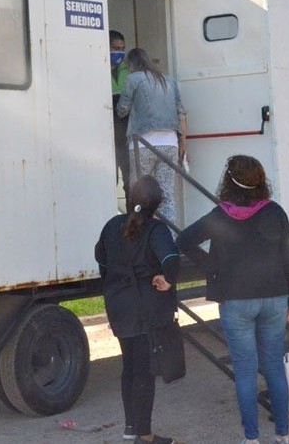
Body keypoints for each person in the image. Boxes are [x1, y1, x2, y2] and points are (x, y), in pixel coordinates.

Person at [177, 155, 289, 444]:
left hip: (235, 300)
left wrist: (211, 267)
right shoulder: (275, 212)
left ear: (228, 181)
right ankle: (283, 435)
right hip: (275, 298)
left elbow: (183, 240)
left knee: (245, 371)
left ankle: (251, 439)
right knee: (274, 367)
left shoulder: (220, 215)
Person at [95, 175, 180, 444]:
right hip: (146, 308)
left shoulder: (111, 226)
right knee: (143, 370)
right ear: (160, 204)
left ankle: (131, 428)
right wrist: (166, 280)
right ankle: (145, 435)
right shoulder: (156, 230)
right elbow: (171, 259)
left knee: (128, 366)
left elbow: (102, 261)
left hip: (118, 305)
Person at [116, 48, 187, 227]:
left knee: (139, 193)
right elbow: (181, 112)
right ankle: (169, 237)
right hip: (170, 143)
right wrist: (182, 142)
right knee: (167, 195)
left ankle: (140, 235)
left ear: (131, 64)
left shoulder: (133, 79)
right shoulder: (169, 81)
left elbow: (122, 109)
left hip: (143, 143)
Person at [110, 30, 131, 206]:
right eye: (116, 48)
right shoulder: (95, 70)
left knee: (130, 180)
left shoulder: (128, 71)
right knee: (110, 181)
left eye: (122, 48)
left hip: (126, 135)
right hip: (106, 137)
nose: (120, 53)